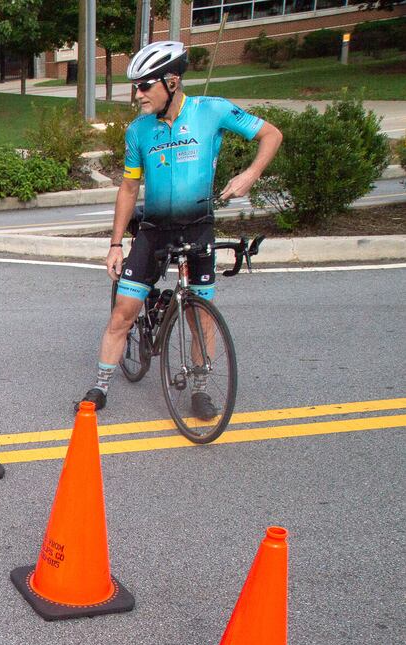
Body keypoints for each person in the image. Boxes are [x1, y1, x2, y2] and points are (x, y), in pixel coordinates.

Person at [86, 40, 283, 418]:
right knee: (123, 311)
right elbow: (128, 187)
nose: (138, 94)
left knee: (201, 314)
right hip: (154, 229)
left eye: (145, 85)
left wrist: (251, 174)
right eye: (136, 86)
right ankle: (100, 385)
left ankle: (200, 390)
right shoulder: (138, 131)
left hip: (197, 228)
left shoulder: (212, 111)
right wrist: (114, 244)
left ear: (171, 81)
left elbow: (271, 134)